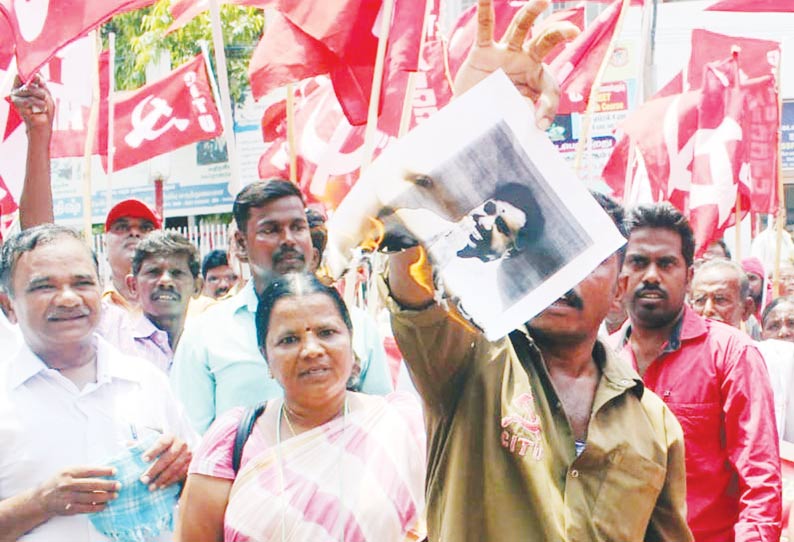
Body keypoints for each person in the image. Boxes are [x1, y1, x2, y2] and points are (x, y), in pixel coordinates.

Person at [386, 183, 690, 540]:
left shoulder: (655, 423)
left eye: (584, 257)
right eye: (545, 253)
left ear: (618, 292)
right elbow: (413, 288)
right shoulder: (465, 363)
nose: (561, 273)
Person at [175, 273, 426, 541]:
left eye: (327, 333)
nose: (311, 350)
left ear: (351, 341)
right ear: (266, 356)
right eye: (289, 340)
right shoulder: (231, 440)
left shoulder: (400, 424)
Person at [0, 224, 196, 541]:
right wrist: (40, 502)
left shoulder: (146, 381)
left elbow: (200, 485)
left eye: (82, 283)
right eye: (44, 287)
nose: (67, 299)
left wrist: (184, 467)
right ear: (9, 304)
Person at [615, 202, 782, 541]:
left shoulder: (732, 354)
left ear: (688, 277)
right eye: (638, 261)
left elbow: (760, 479)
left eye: (666, 263)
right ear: (620, 272)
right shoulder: (598, 356)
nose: (651, 275)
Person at [171, 179, 393, 433]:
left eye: (298, 227)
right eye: (271, 230)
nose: (288, 240)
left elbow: (382, 427)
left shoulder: (357, 325)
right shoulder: (206, 335)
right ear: (241, 243)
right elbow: (192, 442)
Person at [690, 258, 794, 442]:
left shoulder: (778, 362)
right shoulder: (675, 365)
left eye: (720, 299)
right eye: (700, 300)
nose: (708, 310)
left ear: (747, 309)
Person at [100, 231, 203, 373]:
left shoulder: (207, 345)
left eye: (177, 273)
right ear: (133, 285)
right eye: (154, 272)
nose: (165, 281)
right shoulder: (117, 347)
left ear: (197, 287)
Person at [103, 199, 161, 312]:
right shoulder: (91, 309)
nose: (134, 233)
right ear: (105, 245)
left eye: (146, 228)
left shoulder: (195, 308)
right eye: (121, 227)